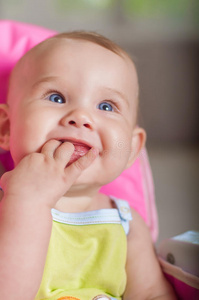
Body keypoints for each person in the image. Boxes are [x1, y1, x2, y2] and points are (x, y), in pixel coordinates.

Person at [0, 31, 177, 300]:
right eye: (56, 97)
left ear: (131, 148)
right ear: (7, 127)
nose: (81, 117)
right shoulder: (5, 206)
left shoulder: (126, 223)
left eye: (106, 106)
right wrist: (28, 202)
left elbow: (152, 294)